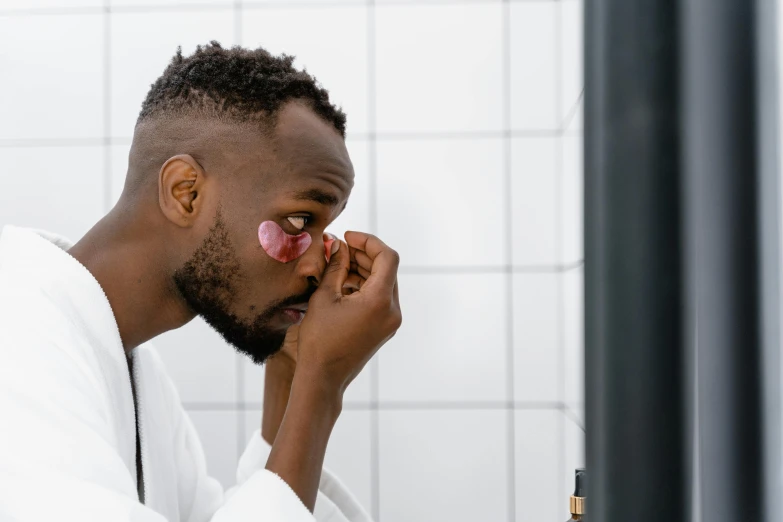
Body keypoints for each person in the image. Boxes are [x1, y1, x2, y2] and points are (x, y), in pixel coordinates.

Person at [0, 42, 402, 522]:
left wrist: (292, 374)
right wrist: (321, 387)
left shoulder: (140, 376)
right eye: (299, 220)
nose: (320, 263)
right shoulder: (16, 329)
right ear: (185, 194)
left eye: (326, 228)